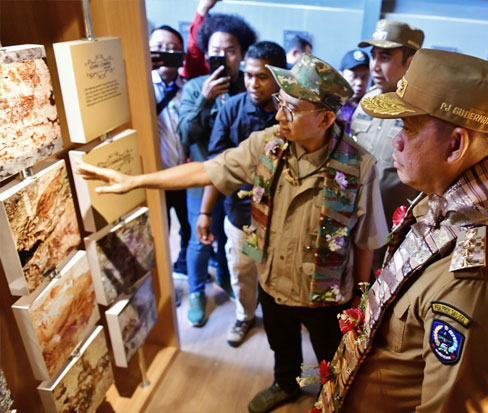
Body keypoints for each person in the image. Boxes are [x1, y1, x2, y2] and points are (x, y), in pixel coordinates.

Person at [75, 54, 388, 413]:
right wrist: (136, 181)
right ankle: (286, 384)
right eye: (279, 104)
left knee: (332, 356)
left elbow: (366, 242)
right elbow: (209, 170)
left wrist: (356, 306)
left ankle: (333, 397)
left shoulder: (359, 168)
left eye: (291, 109)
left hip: (326, 295)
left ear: (326, 118)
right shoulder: (268, 143)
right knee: (281, 344)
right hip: (273, 282)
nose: (279, 115)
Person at [316, 49, 488, 412]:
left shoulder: (475, 281)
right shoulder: (444, 200)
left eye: (407, 127)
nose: (395, 141)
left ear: (456, 145)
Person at [196, 41, 286, 347]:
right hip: (241, 215)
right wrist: (205, 212)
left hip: (282, 218)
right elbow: (216, 168)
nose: (252, 83)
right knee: (242, 271)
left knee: (278, 276)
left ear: (280, 77)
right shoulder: (232, 109)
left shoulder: (292, 112)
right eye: (248, 75)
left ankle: (282, 328)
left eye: (261, 76)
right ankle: (245, 315)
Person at [177, 13, 256, 327]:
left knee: (233, 235)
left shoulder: (250, 87)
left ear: (242, 53)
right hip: (201, 179)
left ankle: (225, 277)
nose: (223, 57)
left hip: (240, 180)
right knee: (200, 239)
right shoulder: (196, 87)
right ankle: (196, 291)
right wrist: (205, 101)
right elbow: (186, 135)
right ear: (205, 52)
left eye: (231, 50)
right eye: (215, 50)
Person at [351, 19, 424, 256]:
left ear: (410, 63)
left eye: (385, 58)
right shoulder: (365, 103)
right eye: (373, 56)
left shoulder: (422, 113)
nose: (374, 66)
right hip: (352, 222)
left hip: (393, 234)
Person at [149, 25, 191, 280]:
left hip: (184, 174)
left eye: (173, 49)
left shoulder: (188, 88)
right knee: (159, 230)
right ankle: (163, 281)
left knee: (187, 226)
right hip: (156, 177)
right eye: (159, 48)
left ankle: (184, 262)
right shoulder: (139, 86)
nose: (165, 53)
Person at [180, 0, 220, 79]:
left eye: (230, 50)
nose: (222, 54)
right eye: (216, 50)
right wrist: (202, 10)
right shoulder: (197, 77)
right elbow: (195, 51)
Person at [338, 49, 370, 134]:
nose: (359, 83)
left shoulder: (371, 106)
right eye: (354, 77)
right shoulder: (331, 105)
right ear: (341, 76)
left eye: (365, 77)